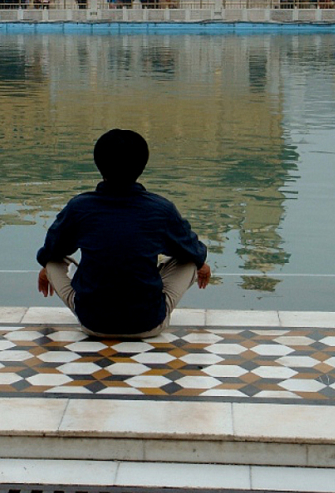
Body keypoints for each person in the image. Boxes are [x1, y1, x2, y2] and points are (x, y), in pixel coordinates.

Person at [36, 129, 211, 338]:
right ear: (142, 165)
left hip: (93, 323)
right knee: (190, 261)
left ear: (98, 163)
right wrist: (201, 263)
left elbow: (51, 249)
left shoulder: (79, 207)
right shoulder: (160, 209)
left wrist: (47, 266)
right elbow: (193, 251)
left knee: (52, 261)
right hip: (148, 323)